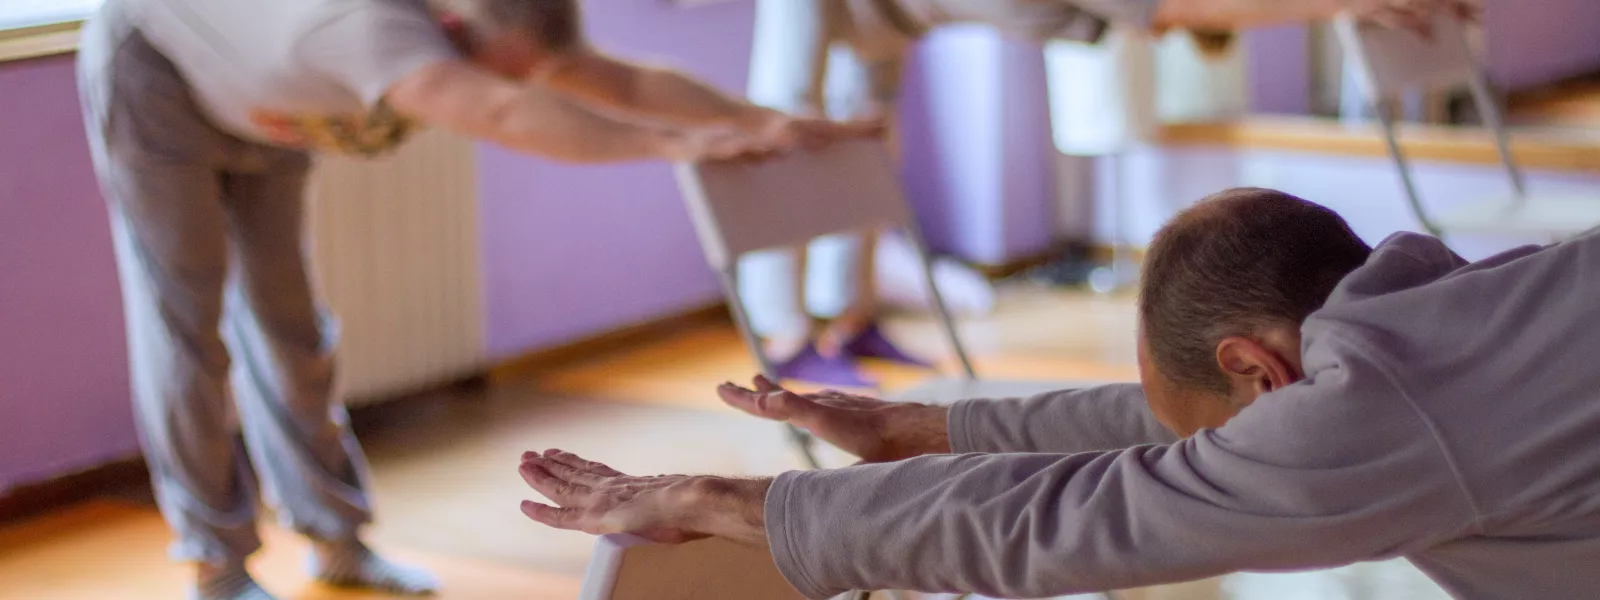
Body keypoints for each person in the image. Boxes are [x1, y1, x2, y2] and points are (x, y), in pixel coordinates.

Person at [76, 1, 873, 598]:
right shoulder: (373, 32)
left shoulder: (497, 24)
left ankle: (337, 539)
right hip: (159, 78)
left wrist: (770, 124)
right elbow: (500, 110)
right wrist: (677, 146)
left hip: (267, 105)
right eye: (505, 69)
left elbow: (618, 81)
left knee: (290, 330)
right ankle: (217, 566)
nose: (522, 82)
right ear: (456, 28)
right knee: (189, 331)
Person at [518, 183, 1600, 599]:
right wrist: (923, 428)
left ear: (1256, 371)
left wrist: (719, 503)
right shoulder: (1446, 313)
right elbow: (1176, 436)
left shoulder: (1380, 406)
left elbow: (1081, 522)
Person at [738, 0, 1476, 388]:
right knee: (786, 124)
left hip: (891, 11)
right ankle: (785, 335)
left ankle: (850, 319)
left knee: (866, 138)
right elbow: (1181, 10)